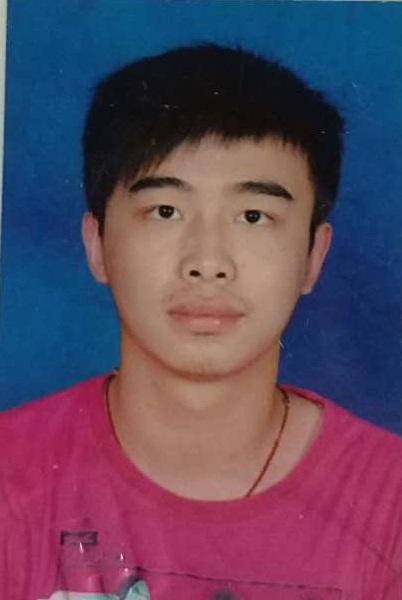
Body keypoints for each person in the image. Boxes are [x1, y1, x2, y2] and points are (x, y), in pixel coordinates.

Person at [0, 43, 401, 600]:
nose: (208, 262)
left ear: (313, 256)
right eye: (165, 211)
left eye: (254, 216)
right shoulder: (11, 478)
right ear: (96, 244)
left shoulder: (390, 502)